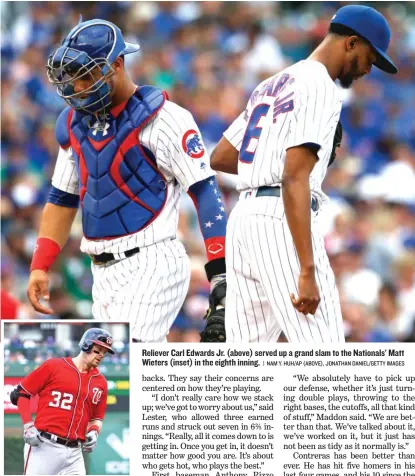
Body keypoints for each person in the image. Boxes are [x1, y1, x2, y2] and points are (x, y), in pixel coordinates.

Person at [26, 19, 227, 342]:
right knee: (127, 380)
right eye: (72, 77)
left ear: (116, 64)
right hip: (102, 272)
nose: (77, 87)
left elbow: (204, 191)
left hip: (152, 259)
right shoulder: (76, 125)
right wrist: (40, 265)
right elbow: (62, 198)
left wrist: (219, 271)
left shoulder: (165, 119)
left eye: (86, 75)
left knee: (120, 359)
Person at [210, 5, 397, 343]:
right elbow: (294, 177)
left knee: (244, 362)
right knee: (324, 355)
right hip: (281, 217)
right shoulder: (320, 85)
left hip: (244, 220)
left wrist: (269, 160)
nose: (369, 69)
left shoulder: (272, 83)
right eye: (371, 57)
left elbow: (222, 156)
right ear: (351, 43)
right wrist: (307, 270)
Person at [10, 328, 113, 475]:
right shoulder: (54, 366)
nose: (101, 355)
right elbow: (20, 393)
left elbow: (96, 418)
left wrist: (94, 432)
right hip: (45, 447)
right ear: (86, 345)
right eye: (98, 350)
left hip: (75, 453)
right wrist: (28, 425)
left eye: (104, 352)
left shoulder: (101, 382)